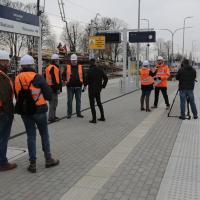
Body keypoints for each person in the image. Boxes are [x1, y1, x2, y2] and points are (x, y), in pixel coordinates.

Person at [15, 55, 59, 173]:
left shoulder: (17, 78)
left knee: (30, 136)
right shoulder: (37, 77)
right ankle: (48, 159)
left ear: (22, 66)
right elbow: (49, 95)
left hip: (25, 112)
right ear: (32, 65)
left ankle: (32, 163)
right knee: (44, 134)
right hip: (39, 110)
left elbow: (17, 95)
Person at [0, 50, 17, 171]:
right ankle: (2, 162)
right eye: (7, 61)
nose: (8, 63)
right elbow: (5, 96)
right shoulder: (2, 76)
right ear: (2, 61)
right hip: (4, 112)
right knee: (3, 137)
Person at [86, 58, 108, 123]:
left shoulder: (89, 71)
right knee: (99, 103)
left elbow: (86, 81)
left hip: (91, 90)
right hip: (98, 89)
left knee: (92, 104)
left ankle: (94, 119)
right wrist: (103, 86)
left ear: (90, 63)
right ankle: (102, 117)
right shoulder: (100, 70)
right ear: (95, 63)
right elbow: (106, 78)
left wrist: (85, 85)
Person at [63, 54, 85, 119]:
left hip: (79, 87)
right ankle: (69, 114)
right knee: (69, 101)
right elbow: (63, 76)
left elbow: (84, 76)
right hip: (70, 87)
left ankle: (78, 113)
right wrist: (65, 81)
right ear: (71, 60)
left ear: (76, 60)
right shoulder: (67, 67)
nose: (73, 62)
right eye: (72, 60)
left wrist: (85, 84)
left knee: (78, 101)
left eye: (74, 60)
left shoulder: (80, 67)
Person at [45, 54, 62, 122]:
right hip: (53, 88)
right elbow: (55, 79)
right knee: (53, 103)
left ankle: (53, 116)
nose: (58, 61)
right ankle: (51, 117)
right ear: (55, 60)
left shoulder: (49, 67)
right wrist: (57, 88)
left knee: (53, 103)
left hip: (49, 87)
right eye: (58, 60)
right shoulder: (54, 68)